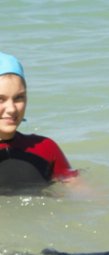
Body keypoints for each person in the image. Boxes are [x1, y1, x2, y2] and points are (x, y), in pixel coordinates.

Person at [0, 52, 78, 192]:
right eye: (1, 99)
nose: (12, 109)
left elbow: (83, 193)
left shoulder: (46, 149)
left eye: (19, 98)